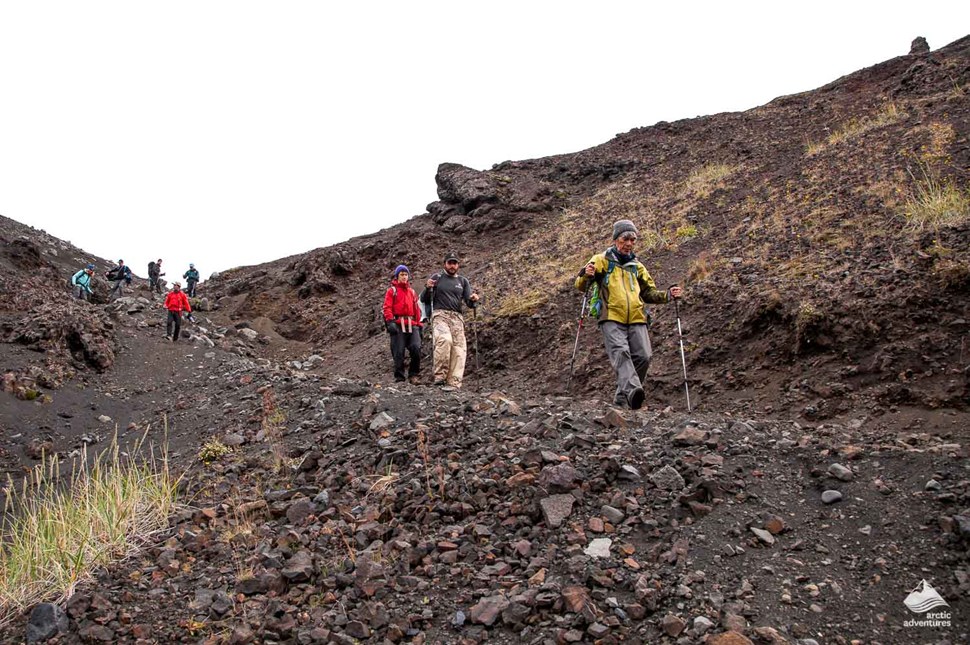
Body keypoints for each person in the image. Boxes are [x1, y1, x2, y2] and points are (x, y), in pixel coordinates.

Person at [575, 219, 682, 410]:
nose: (630, 243)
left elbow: (649, 293)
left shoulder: (637, 266)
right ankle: (633, 390)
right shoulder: (601, 260)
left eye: (633, 239)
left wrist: (667, 295)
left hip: (637, 317)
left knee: (644, 356)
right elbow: (581, 285)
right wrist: (586, 274)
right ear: (616, 239)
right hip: (611, 316)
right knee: (621, 353)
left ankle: (623, 398)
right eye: (626, 238)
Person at [420, 252, 480, 389]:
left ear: (458, 265)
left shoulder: (463, 281)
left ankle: (454, 382)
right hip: (440, 314)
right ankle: (440, 376)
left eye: (455, 263)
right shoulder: (437, 277)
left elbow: (469, 302)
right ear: (445, 264)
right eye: (450, 263)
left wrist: (474, 299)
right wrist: (427, 287)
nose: (452, 266)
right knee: (444, 340)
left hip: (457, 317)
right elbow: (424, 298)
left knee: (459, 348)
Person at [382, 265, 423, 383]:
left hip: (412, 324)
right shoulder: (392, 291)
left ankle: (414, 375)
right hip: (398, 323)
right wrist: (390, 321)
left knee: (416, 348)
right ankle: (399, 377)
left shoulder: (412, 292)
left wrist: (419, 325)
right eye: (402, 274)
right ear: (397, 276)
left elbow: (417, 309)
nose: (404, 277)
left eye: (406, 274)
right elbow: (387, 307)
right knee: (398, 351)